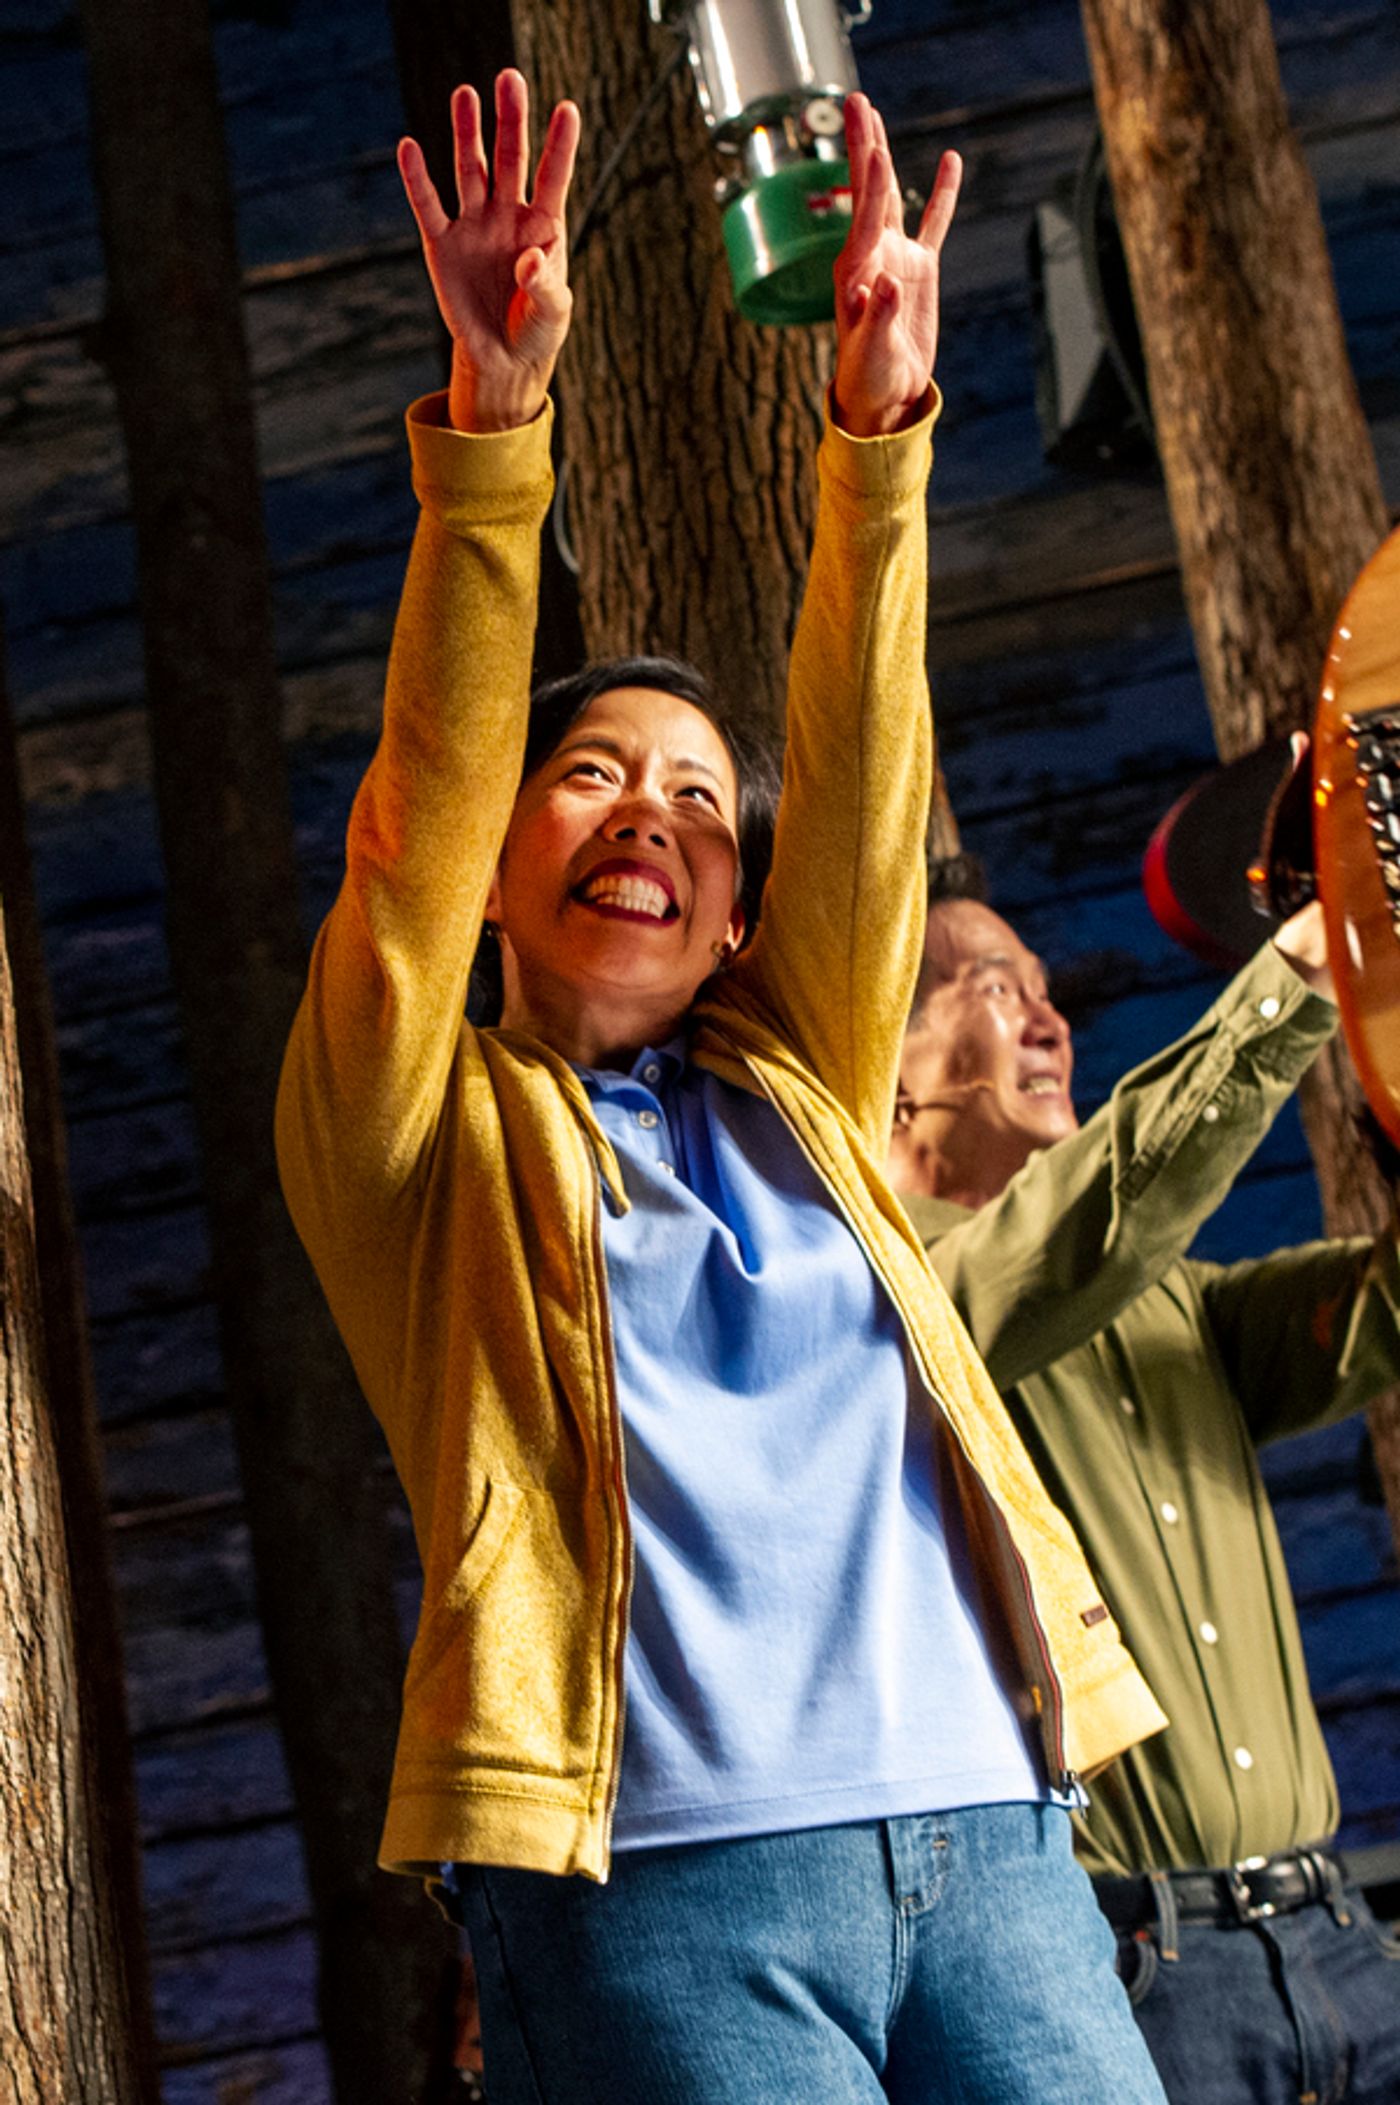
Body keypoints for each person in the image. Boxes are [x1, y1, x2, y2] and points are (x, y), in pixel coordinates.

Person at [276, 70, 1171, 2103]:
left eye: (697, 801)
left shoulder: (802, 1079)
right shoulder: (416, 1135)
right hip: (660, 1883)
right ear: (499, 860)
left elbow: (860, 786)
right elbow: (405, 835)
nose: (651, 816)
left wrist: (877, 443)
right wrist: (493, 436)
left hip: (990, 1833)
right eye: (592, 775)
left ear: (739, 911)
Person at [889, 872, 1400, 2104]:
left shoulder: (1174, 1300)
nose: (1050, 1020)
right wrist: (1301, 969)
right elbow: (1115, 1203)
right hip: (1128, 1981)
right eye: (995, 987)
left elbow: (1378, 1303)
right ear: (886, 1069)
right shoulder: (895, 1303)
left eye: (1047, 990)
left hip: (1340, 1933)